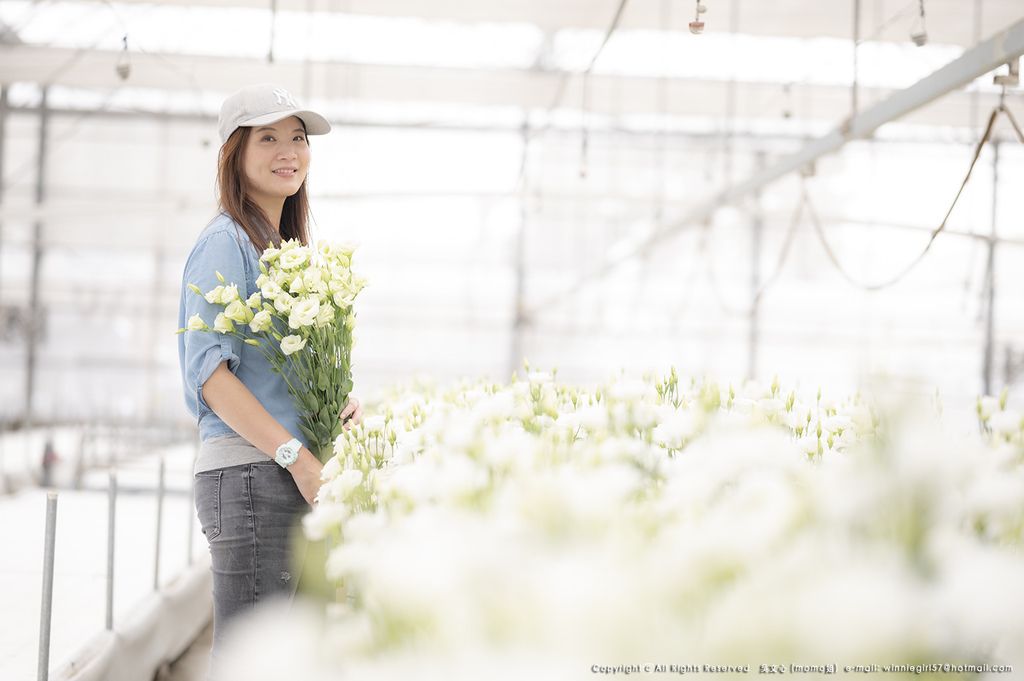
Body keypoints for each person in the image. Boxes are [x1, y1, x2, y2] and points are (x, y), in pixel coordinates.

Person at [176, 82, 363, 678]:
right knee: (250, 661)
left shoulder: (281, 249)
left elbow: (271, 372)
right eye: (270, 137)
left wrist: (330, 401)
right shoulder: (225, 241)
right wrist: (296, 455)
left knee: (285, 659)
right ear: (235, 151)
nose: (290, 151)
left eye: (299, 138)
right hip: (254, 477)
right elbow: (211, 375)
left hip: (283, 473)